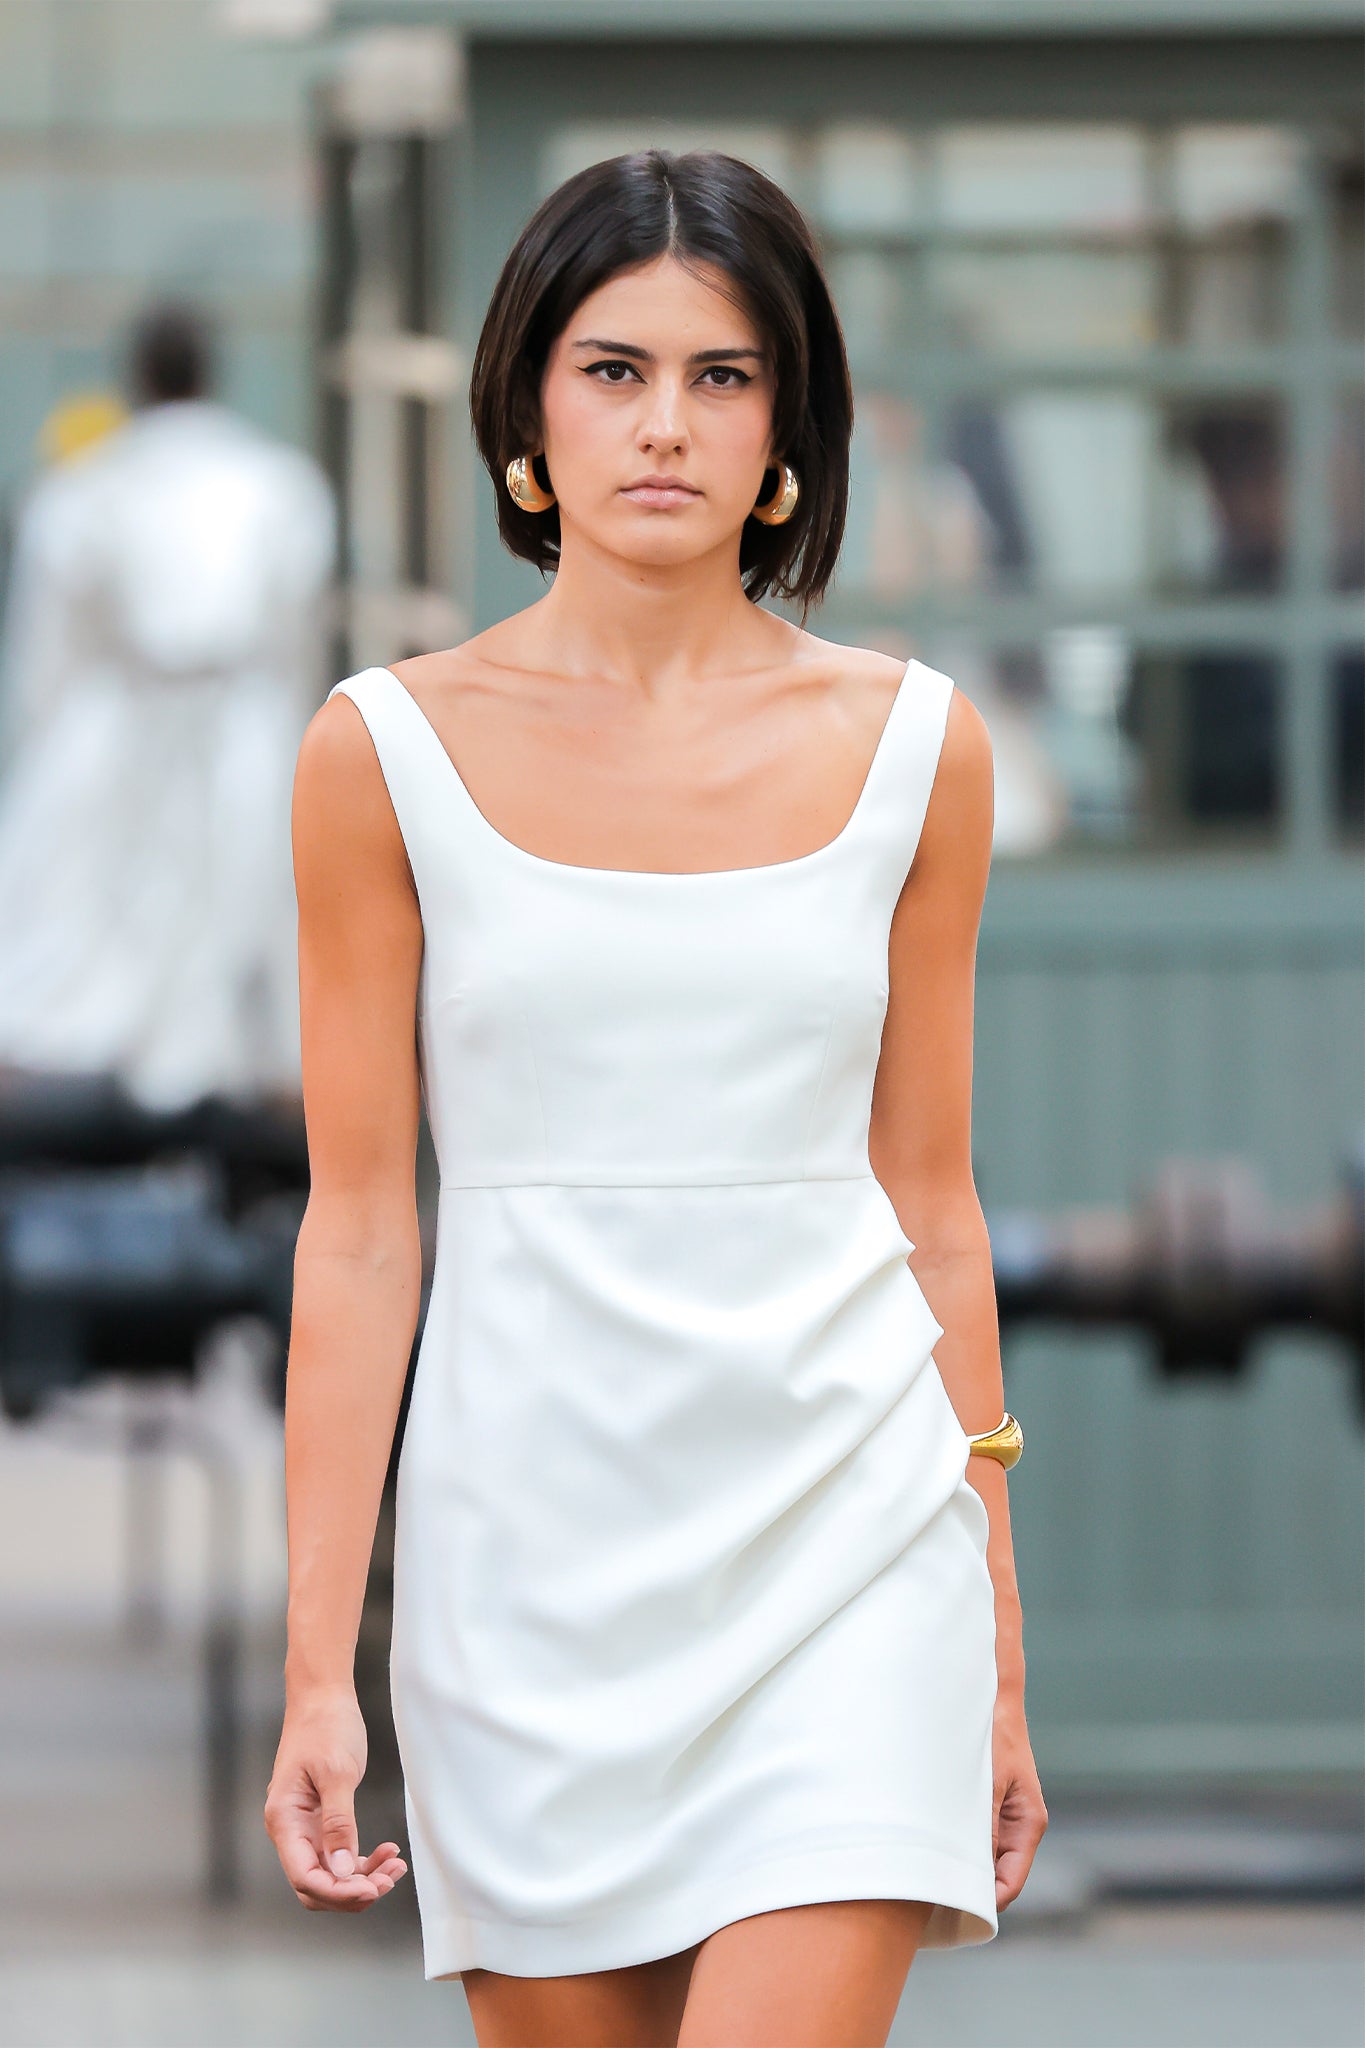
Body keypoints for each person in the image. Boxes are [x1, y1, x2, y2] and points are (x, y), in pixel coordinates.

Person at [267, 150, 1046, 2047]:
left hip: (847, 1540)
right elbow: (364, 1228)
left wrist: (1001, 1646)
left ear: (789, 426)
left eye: (721, 377)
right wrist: (318, 1668)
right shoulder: (382, 754)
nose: (664, 427)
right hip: (523, 1565)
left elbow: (931, 1201)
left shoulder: (917, 747)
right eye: (613, 371)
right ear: (528, 408)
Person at [0, 302, 335, 1110]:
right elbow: (298, 638)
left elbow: (45, 658)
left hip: (109, 732)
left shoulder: (83, 489)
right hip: (238, 734)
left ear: (136, 380)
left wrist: (42, 754)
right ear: (211, 375)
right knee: (237, 920)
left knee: (87, 936)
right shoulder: (281, 485)